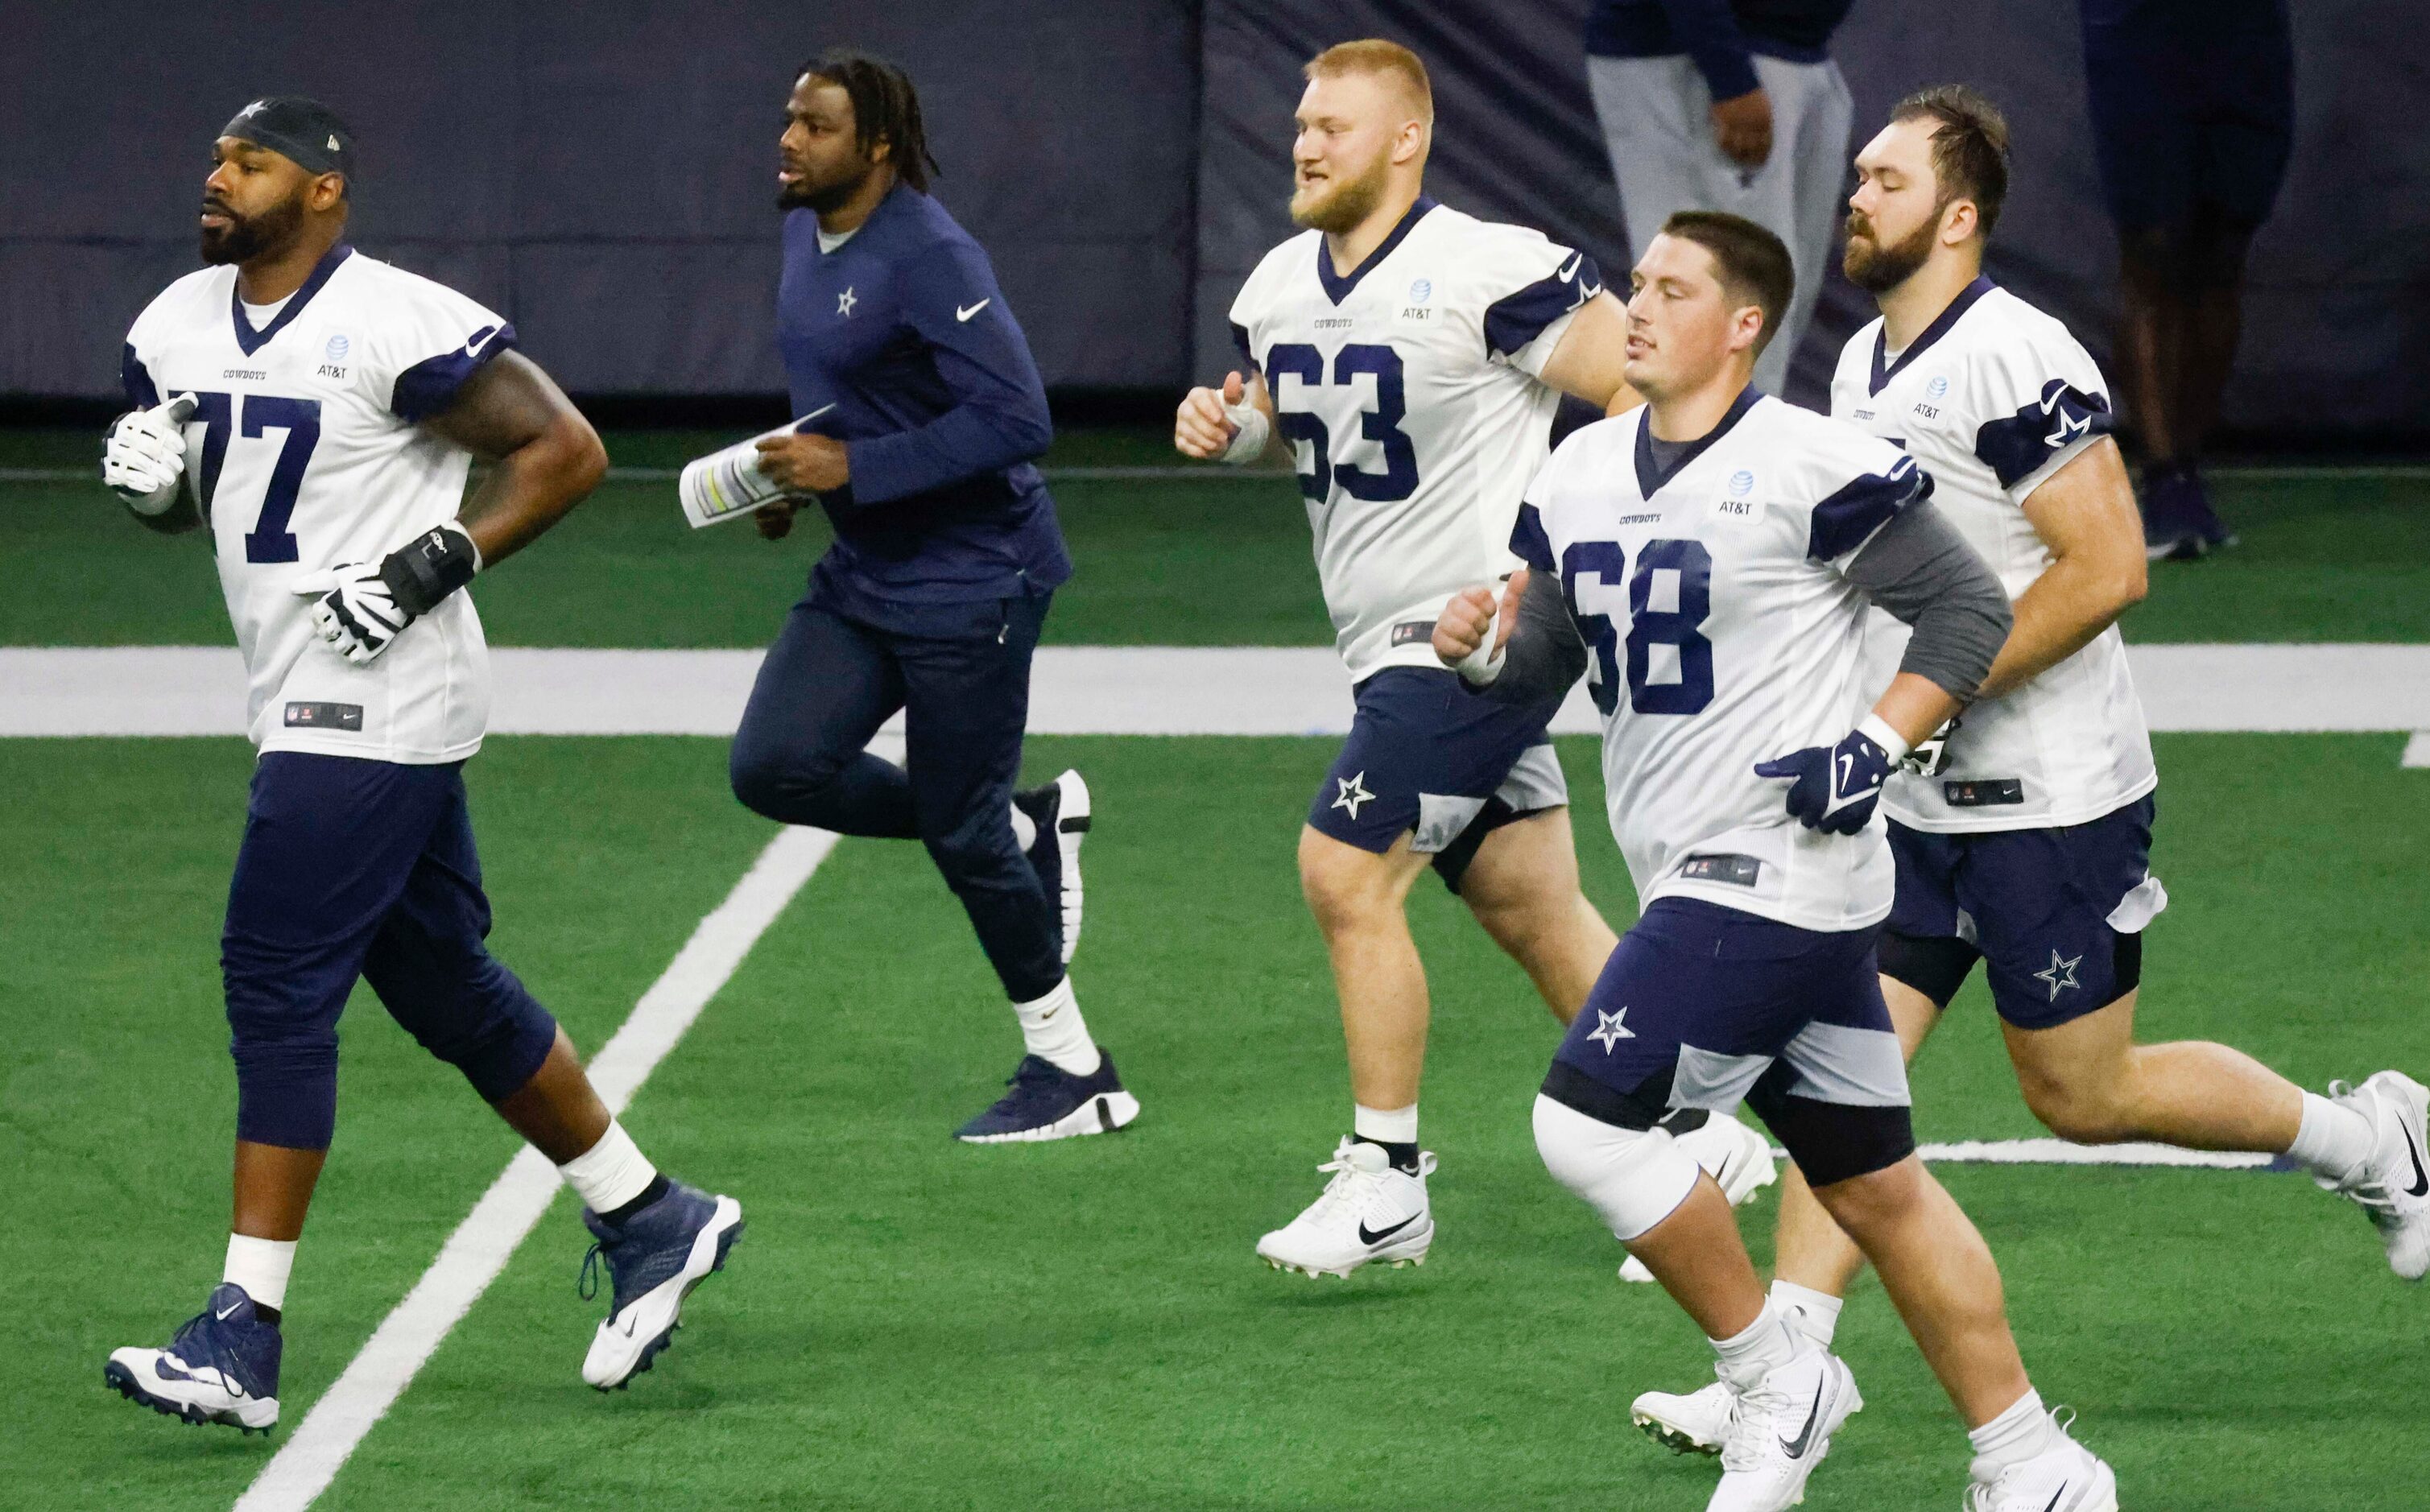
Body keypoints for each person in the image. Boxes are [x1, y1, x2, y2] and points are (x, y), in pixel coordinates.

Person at [1628, 86, 2428, 1470]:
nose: (1851, 196)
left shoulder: (2009, 352)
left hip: (2043, 796)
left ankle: (2372, 1139)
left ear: (1953, 213)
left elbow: (2105, 567)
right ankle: (1788, 1376)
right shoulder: (1861, 367)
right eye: (1856, 175)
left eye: (1878, 179)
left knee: (2082, 1088)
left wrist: (1907, 711)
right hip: (1914, 797)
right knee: (1838, 1076)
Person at [1438, 209, 2122, 1512]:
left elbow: (1967, 604)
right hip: (1684, 864)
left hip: (1779, 868)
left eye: (1672, 288)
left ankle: (1774, 1377)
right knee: (1877, 1188)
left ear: (1742, 324)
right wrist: (1479, 640)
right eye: (1634, 282)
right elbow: (1539, 667)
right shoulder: (1575, 470)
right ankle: (2031, 1457)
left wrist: (1874, 741)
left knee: (1582, 1120)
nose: (1634, 305)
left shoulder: (1814, 458)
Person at [98, 98, 742, 1433]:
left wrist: (434, 559)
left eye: (251, 161)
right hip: (296, 687)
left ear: (326, 189)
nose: (218, 177)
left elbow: (565, 451)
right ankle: (648, 1210)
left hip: (379, 695)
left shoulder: (393, 319)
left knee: (274, 978)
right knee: (444, 981)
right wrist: (162, 491)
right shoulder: (172, 323)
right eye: (216, 156)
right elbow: (223, 508)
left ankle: (242, 1330)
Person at [1178, 39, 1772, 1279]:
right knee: (1531, 906)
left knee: (1343, 871)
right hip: (1379, 636)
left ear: (1406, 140)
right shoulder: (1282, 283)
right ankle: (1692, 1128)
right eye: (1298, 122)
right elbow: (1310, 429)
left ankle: (1384, 1180)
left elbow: (1642, 391)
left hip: (1474, 633)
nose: (1303, 142)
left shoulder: (1484, 264)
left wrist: (1553, 555)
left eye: (1333, 125)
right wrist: (1230, 432)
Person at [732, 51, 1131, 1143]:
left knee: (958, 831)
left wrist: (852, 471)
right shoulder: (799, 231)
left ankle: (1075, 1068)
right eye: (786, 117)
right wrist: (794, 475)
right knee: (772, 765)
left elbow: (1017, 418)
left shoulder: (929, 252)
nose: (788, 139)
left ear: (873, 146)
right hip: (865, 570)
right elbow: (855, 393)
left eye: (813, 125)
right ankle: (1022, 825)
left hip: (972, 577)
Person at [2081, 0, 2295, 558]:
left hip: (2246, 40)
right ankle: (2162, 474)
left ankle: (2188, 471)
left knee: (2223, 255)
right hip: (2139, 37)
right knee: (2152, 250)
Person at [1583, 0, 1855, 395]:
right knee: (1721, 300)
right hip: (1697, 56)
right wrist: (1730, 78)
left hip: (1800, 50)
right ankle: (1699, 453)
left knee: (1777, 298)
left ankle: (1728, 447)